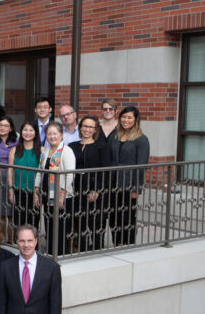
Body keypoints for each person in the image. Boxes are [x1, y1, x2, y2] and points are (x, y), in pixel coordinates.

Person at [107, 104, 150, 247]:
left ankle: (129, 244)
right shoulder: (114, 136)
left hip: (128, 184)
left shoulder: (141, 139)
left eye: (129, 117)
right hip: (112, 182)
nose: (126, 120)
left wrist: (136, 189)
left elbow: (141, 166)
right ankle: (117, 243)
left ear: (136, 120)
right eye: (124, 117)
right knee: (114, 216)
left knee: (128, 217)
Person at [35, 120, 76, 257]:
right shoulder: (45, 151)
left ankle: (59, 255)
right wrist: (36, 192)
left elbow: (69, 175)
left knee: (60, 227)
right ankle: (50, 252)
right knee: (49, 225)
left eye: (55, 133)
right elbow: (39, 172)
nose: (52, 136)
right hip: (47, 195)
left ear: (61, 135)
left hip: (61, 196)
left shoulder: (66, 151)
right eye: (49, 134)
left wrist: (62, 195)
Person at [71, 115, 111, 251]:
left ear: (95, 130)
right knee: (79, 222)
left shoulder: (102, 147)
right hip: (76, 189)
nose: (87, 129)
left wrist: (97, 190)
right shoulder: (72, 146)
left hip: (94, 190)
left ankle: (97, 249)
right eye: (84, 126)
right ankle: (81, 249)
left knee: (96, 223)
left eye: (90, 127)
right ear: (80, 127)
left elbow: (105, 171)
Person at [8, 120, 41, 228]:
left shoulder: (41, 150)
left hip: (35, 192)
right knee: (18, 223)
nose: (28, 133)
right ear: (21, 132)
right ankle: (19, 244)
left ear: (35, 132)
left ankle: (33, 245)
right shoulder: (14, 149)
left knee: (33, 223)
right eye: (25, 130)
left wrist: (37, 193)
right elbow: (10, 170)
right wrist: (10, 190)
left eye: (31, 130)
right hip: (18, 190)